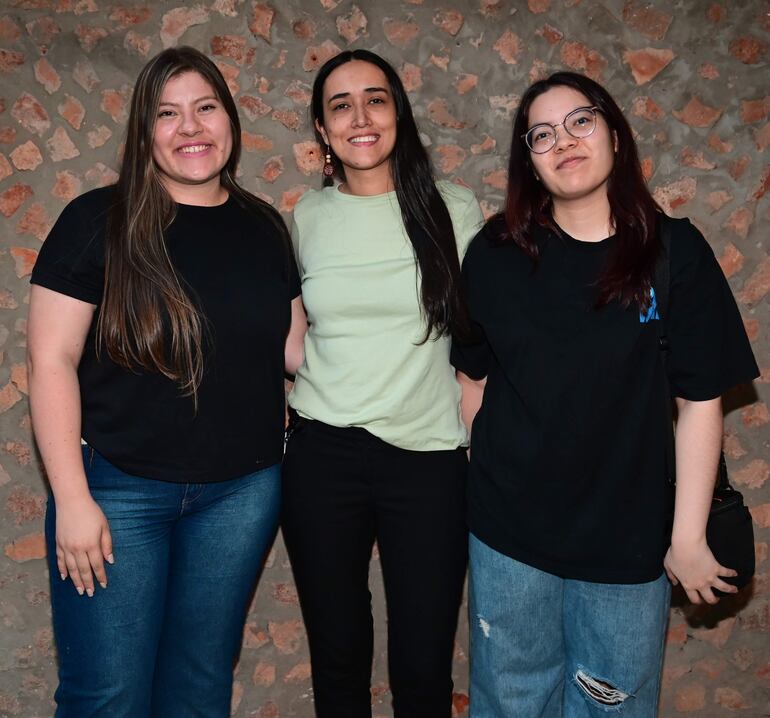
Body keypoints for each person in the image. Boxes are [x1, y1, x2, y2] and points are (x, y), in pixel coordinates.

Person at [452, 71, 759, 718]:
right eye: (541, 133)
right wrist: (492, 478)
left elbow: (701, 402)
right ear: (529, 162)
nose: (563, 139)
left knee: (610, 709)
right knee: (508, 704)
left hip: (627, 549)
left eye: (580, 121)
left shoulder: (675, 253)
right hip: (509, 545)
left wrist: (687, 537)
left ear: (615, 135)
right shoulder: (495, 254)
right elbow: (472, 377)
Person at [27, 46, 305, 717]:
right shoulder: (98, 221)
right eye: (167, 113)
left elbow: (295, 351)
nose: (191, 127)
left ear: (229, 121)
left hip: (240, 495)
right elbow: (51, 362)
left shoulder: (264, 227)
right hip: (117, 492)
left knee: (199, 686)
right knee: (108, 696)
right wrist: (72, 498)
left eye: (205, 108)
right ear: (144, 132)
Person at [281, 49, 483, 718]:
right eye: (340, 104)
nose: (360, 117)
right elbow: (293, 340)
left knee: (422, 670)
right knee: (338, 662)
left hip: (426, 459)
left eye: (376, 99)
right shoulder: (305, 220)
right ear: (321, 128)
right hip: (322, 457)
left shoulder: (454, 210)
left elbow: (482, 341)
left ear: (398, 112)